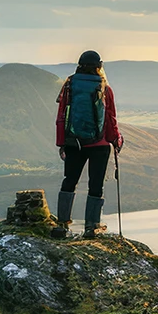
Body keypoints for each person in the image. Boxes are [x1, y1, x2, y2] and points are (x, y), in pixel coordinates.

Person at [54, 50, 123, 239]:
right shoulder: (105, 88)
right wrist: (116, 140)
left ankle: (62, 225)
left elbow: (61, 116)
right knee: (96, 184)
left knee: (70, 180)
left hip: (74, 143)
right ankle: (91, 227)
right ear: (99, 66)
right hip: (99, 145)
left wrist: (62, 143)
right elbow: (110, 119)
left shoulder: (69, 86)